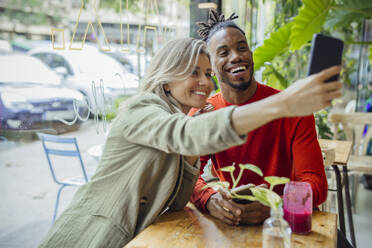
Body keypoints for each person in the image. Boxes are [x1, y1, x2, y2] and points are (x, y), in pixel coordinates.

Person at [39, 37, 341, 248]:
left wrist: (196, 167)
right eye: (192, 72)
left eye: (207, 74)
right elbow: (182, 135)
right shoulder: (141, 108)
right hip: (95, 235)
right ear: (166, 79)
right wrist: (283, 104)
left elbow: (179, 196)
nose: (205, 82)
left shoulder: (183, 119)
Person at [190, 9, 335, 226]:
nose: (236, 56)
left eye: (242, 48)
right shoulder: (204, 114)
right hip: (234, 222)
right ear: (210, 66)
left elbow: (315, 185)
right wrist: (210, 199)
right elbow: (187, 178)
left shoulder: (293, 109)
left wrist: (276, 206)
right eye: (223, 52)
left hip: (287, 224)